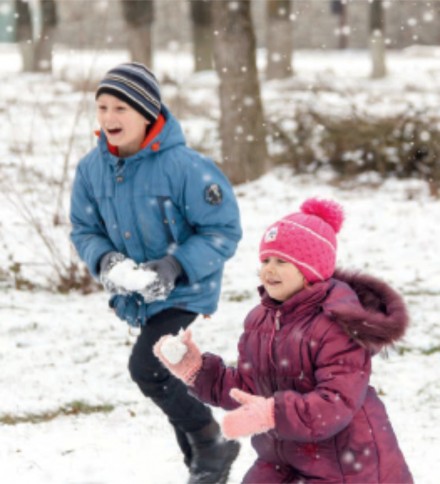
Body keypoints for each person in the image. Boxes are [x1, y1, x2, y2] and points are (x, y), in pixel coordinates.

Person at [154, 197, 414, 483]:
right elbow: (247, 387)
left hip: (345, 463)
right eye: (265, 260)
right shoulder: (259, 321)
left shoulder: (335, 326)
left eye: (281, 261)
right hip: (281, 457)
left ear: (311, 271)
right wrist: (197, 371)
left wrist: (271, 414)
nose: (269, 269)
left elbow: (335, 403)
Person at [69, 62, 242, 484]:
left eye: (120, 108)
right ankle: (205, 466)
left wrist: (174, 264)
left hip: (186, 289)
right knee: (167, 374)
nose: (109, 117)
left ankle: (210, 440)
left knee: (147, 368)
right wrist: (106, 260)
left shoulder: (186, 167)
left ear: (147, 113)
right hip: (137, 293)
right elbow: (84, 229)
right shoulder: (91, 170)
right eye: (102, 107)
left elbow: (223, 230)